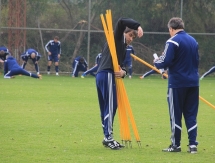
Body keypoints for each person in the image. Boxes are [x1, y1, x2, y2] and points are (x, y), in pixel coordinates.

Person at [96, 17, 143, 150]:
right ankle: (109, 138)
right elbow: (121, 21)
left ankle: (107, 137)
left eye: (133, 37)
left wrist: (124, 73)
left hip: (103, 75)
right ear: (124, 33)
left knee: (107, 107)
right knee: (111, 106)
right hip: (107, 74)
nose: (131, 38)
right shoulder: (117, 39)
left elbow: (121, 67)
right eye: (130, 35)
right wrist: (138, 26)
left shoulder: (122, 47)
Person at [154, 17, 199, 154]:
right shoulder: (193, 41)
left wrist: (157, 61)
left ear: (171, 29)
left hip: (177, 83)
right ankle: (192, 145)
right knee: (191, 115)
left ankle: (176, 145)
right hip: (193, 82)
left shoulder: (172, 40)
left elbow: (164, 61)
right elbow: (196, 61)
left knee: (175, 114)